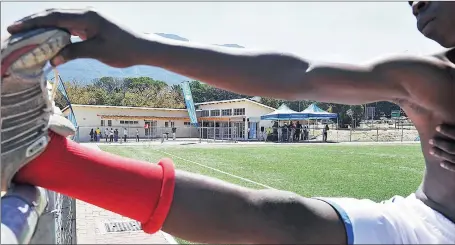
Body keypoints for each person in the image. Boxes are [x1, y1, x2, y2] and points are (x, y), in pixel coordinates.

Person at [5, 2, 455, 243]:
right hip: (420, 220)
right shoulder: (425, 75)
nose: (413, 2)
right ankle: (44, 159)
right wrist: (139, 47)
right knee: (276, 216)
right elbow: (301, 77)